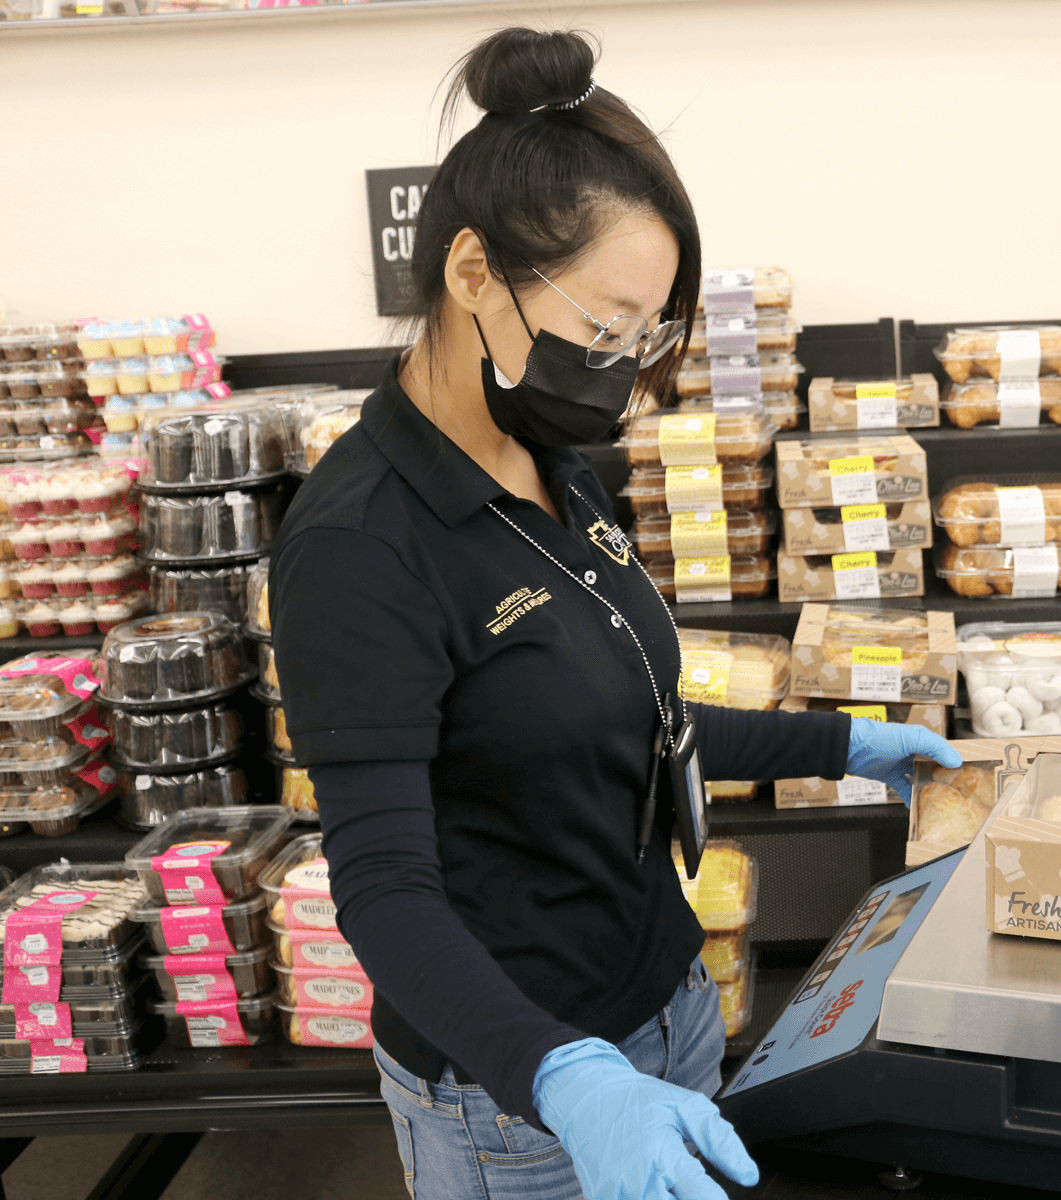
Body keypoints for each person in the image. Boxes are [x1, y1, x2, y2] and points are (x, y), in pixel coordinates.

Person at [269, 27, 960, 1200]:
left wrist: (841, 744)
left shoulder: (556, 463)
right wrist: (565, 1073)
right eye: (604, 327)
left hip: (674, 1009)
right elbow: (382, 887)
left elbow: (626, 715)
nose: (625, 369)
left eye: (647, 335)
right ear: (473, 273)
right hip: (517, 1093)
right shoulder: (360, 545)